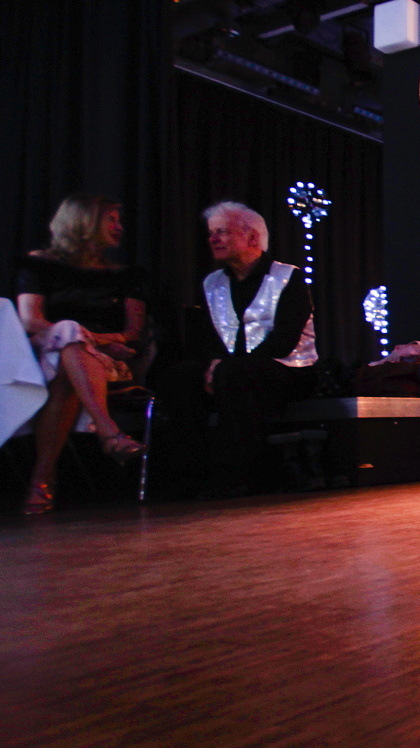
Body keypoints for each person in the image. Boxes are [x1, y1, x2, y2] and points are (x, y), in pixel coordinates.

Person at [14, 195, 147, 513]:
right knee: (68, 333)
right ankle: (108, 431)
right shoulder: (39, 263)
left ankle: (42, 480)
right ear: (83, 222)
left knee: (69, 364)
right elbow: (30, 320)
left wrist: (90, 343)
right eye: (111, 219)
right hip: (47, 354)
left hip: (108, 361)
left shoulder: (127, 275)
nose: (119, 226)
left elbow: (133, 332)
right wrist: (82, 338)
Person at [178, 202, 319, 497]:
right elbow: (207, 335)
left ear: (252, 237)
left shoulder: (287, 277)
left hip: (289, 369)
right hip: (233, 369)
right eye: (211, 233)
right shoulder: (212, 283)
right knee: (181, 378)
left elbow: (284, 340)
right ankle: (188, 475)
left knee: (234, 374)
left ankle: (239, 474)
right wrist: (213, 364)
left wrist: (225, 368)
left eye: (222, 232)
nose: (213, 239)